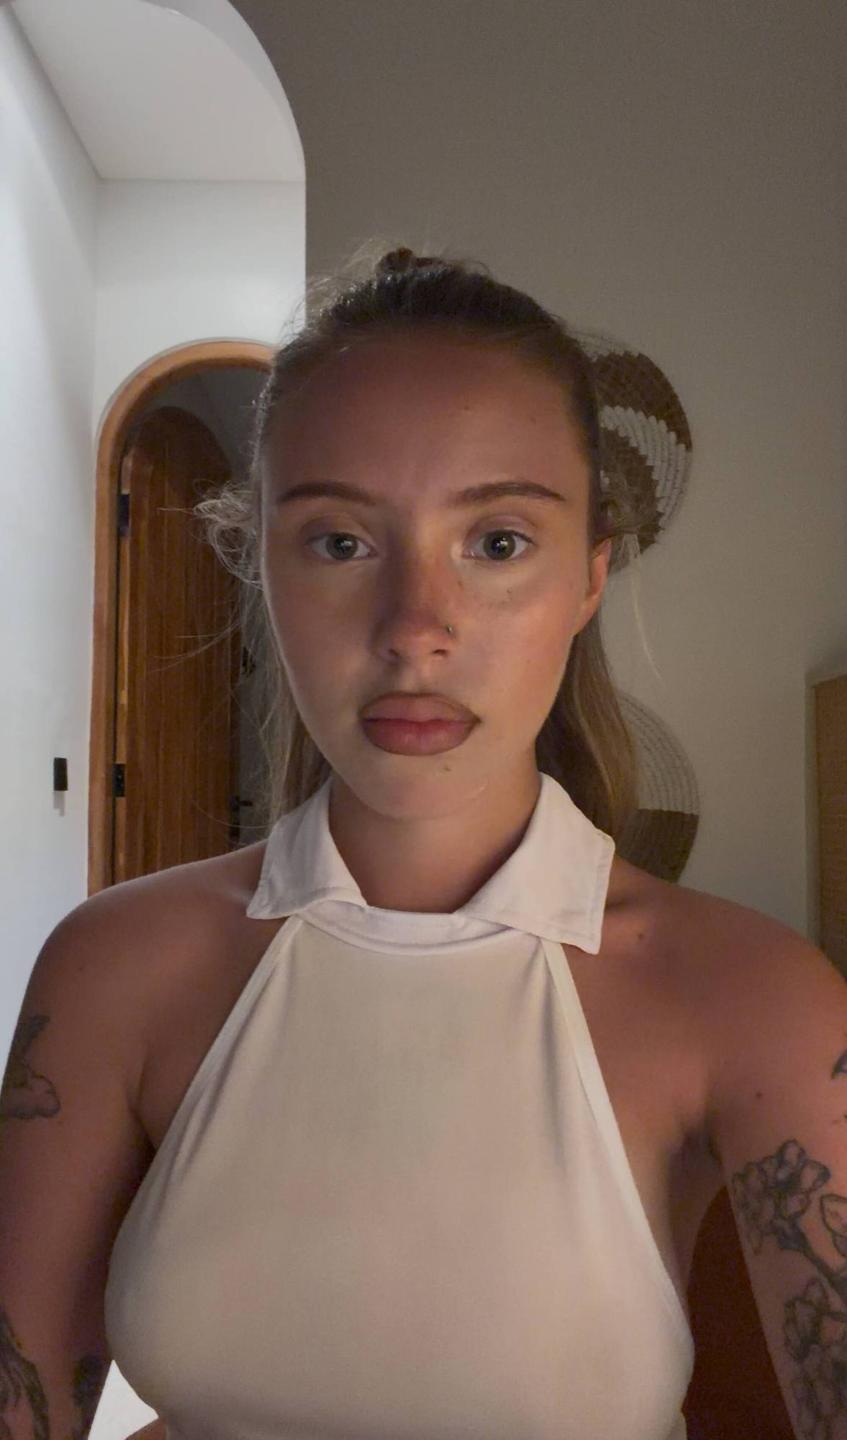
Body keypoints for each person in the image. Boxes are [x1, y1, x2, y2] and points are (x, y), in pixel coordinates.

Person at [1, 245, 837, 1440]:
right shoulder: (113, 969)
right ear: (260, 563)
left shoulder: (756, 1002)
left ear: (588, 579)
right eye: (340, 542)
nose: (414, 629)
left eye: (497, 543)